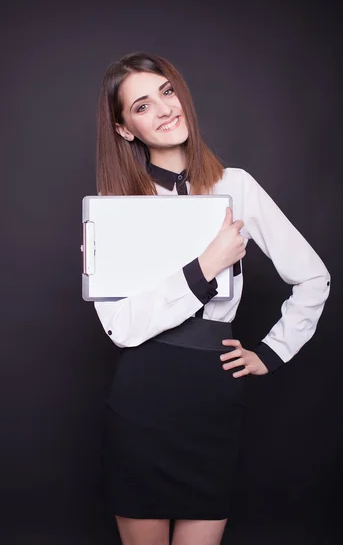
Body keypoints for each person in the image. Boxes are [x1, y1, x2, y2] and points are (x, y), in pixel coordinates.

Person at [93, 52, 330, 545]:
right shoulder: (115, 212)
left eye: (167, 91)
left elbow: (313, 278)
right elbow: (122, 327)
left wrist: (271, 352)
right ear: (124, 129)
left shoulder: (236, 185)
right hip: (142, 398)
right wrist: (206, 267)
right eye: (142, 105)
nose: (163, 108)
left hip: (212, 396)